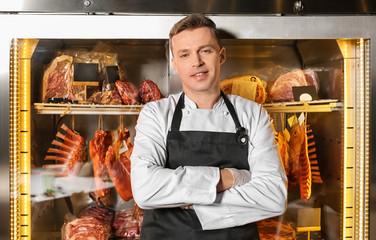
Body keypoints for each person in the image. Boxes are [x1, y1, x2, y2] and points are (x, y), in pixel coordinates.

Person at [130, 14, 287, 240]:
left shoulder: (253, 114)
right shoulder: (156, 114)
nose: (197, 62)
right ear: (175, 64)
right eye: (185, 54)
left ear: (221, 56)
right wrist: (229, 178)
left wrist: (193, 201)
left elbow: (273, 197)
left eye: (205, 50)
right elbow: (145, 191)